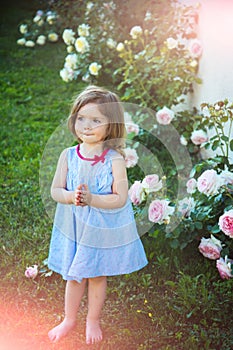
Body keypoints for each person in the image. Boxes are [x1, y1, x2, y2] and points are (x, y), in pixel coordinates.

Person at [47, 85, 148, 345]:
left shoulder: (113, 159)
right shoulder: (67, 156)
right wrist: (71, 197)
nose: (87, 126)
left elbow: (120, 198)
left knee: (96, 274)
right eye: (81, 118)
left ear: (110, 125)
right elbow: (56, 191)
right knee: (74, 273)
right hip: (74, 226)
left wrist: (92, 199)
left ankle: (92, 318)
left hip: (99, 228)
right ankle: (69, 318)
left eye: (96, 120)